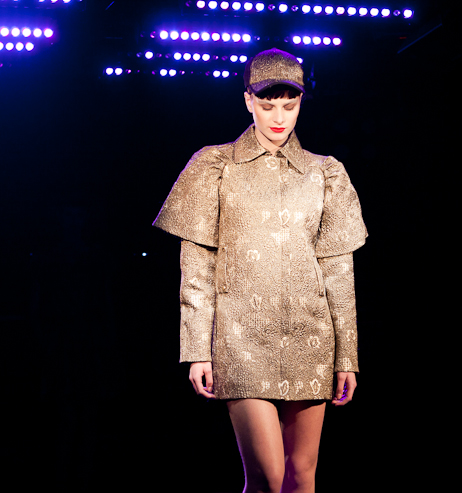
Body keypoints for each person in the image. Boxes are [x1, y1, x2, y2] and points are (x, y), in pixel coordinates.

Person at [153, 48, 367, 493]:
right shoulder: (214, 166)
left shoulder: (326, 173)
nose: (279, 117)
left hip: (310, 337)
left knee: (301, 476)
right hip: (241, 339)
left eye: (290, 105)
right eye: (268, 105)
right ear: (248, 99)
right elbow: (197, 269)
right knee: (268, 478)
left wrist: (347, 356)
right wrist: (197, 349)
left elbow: (338, 272)